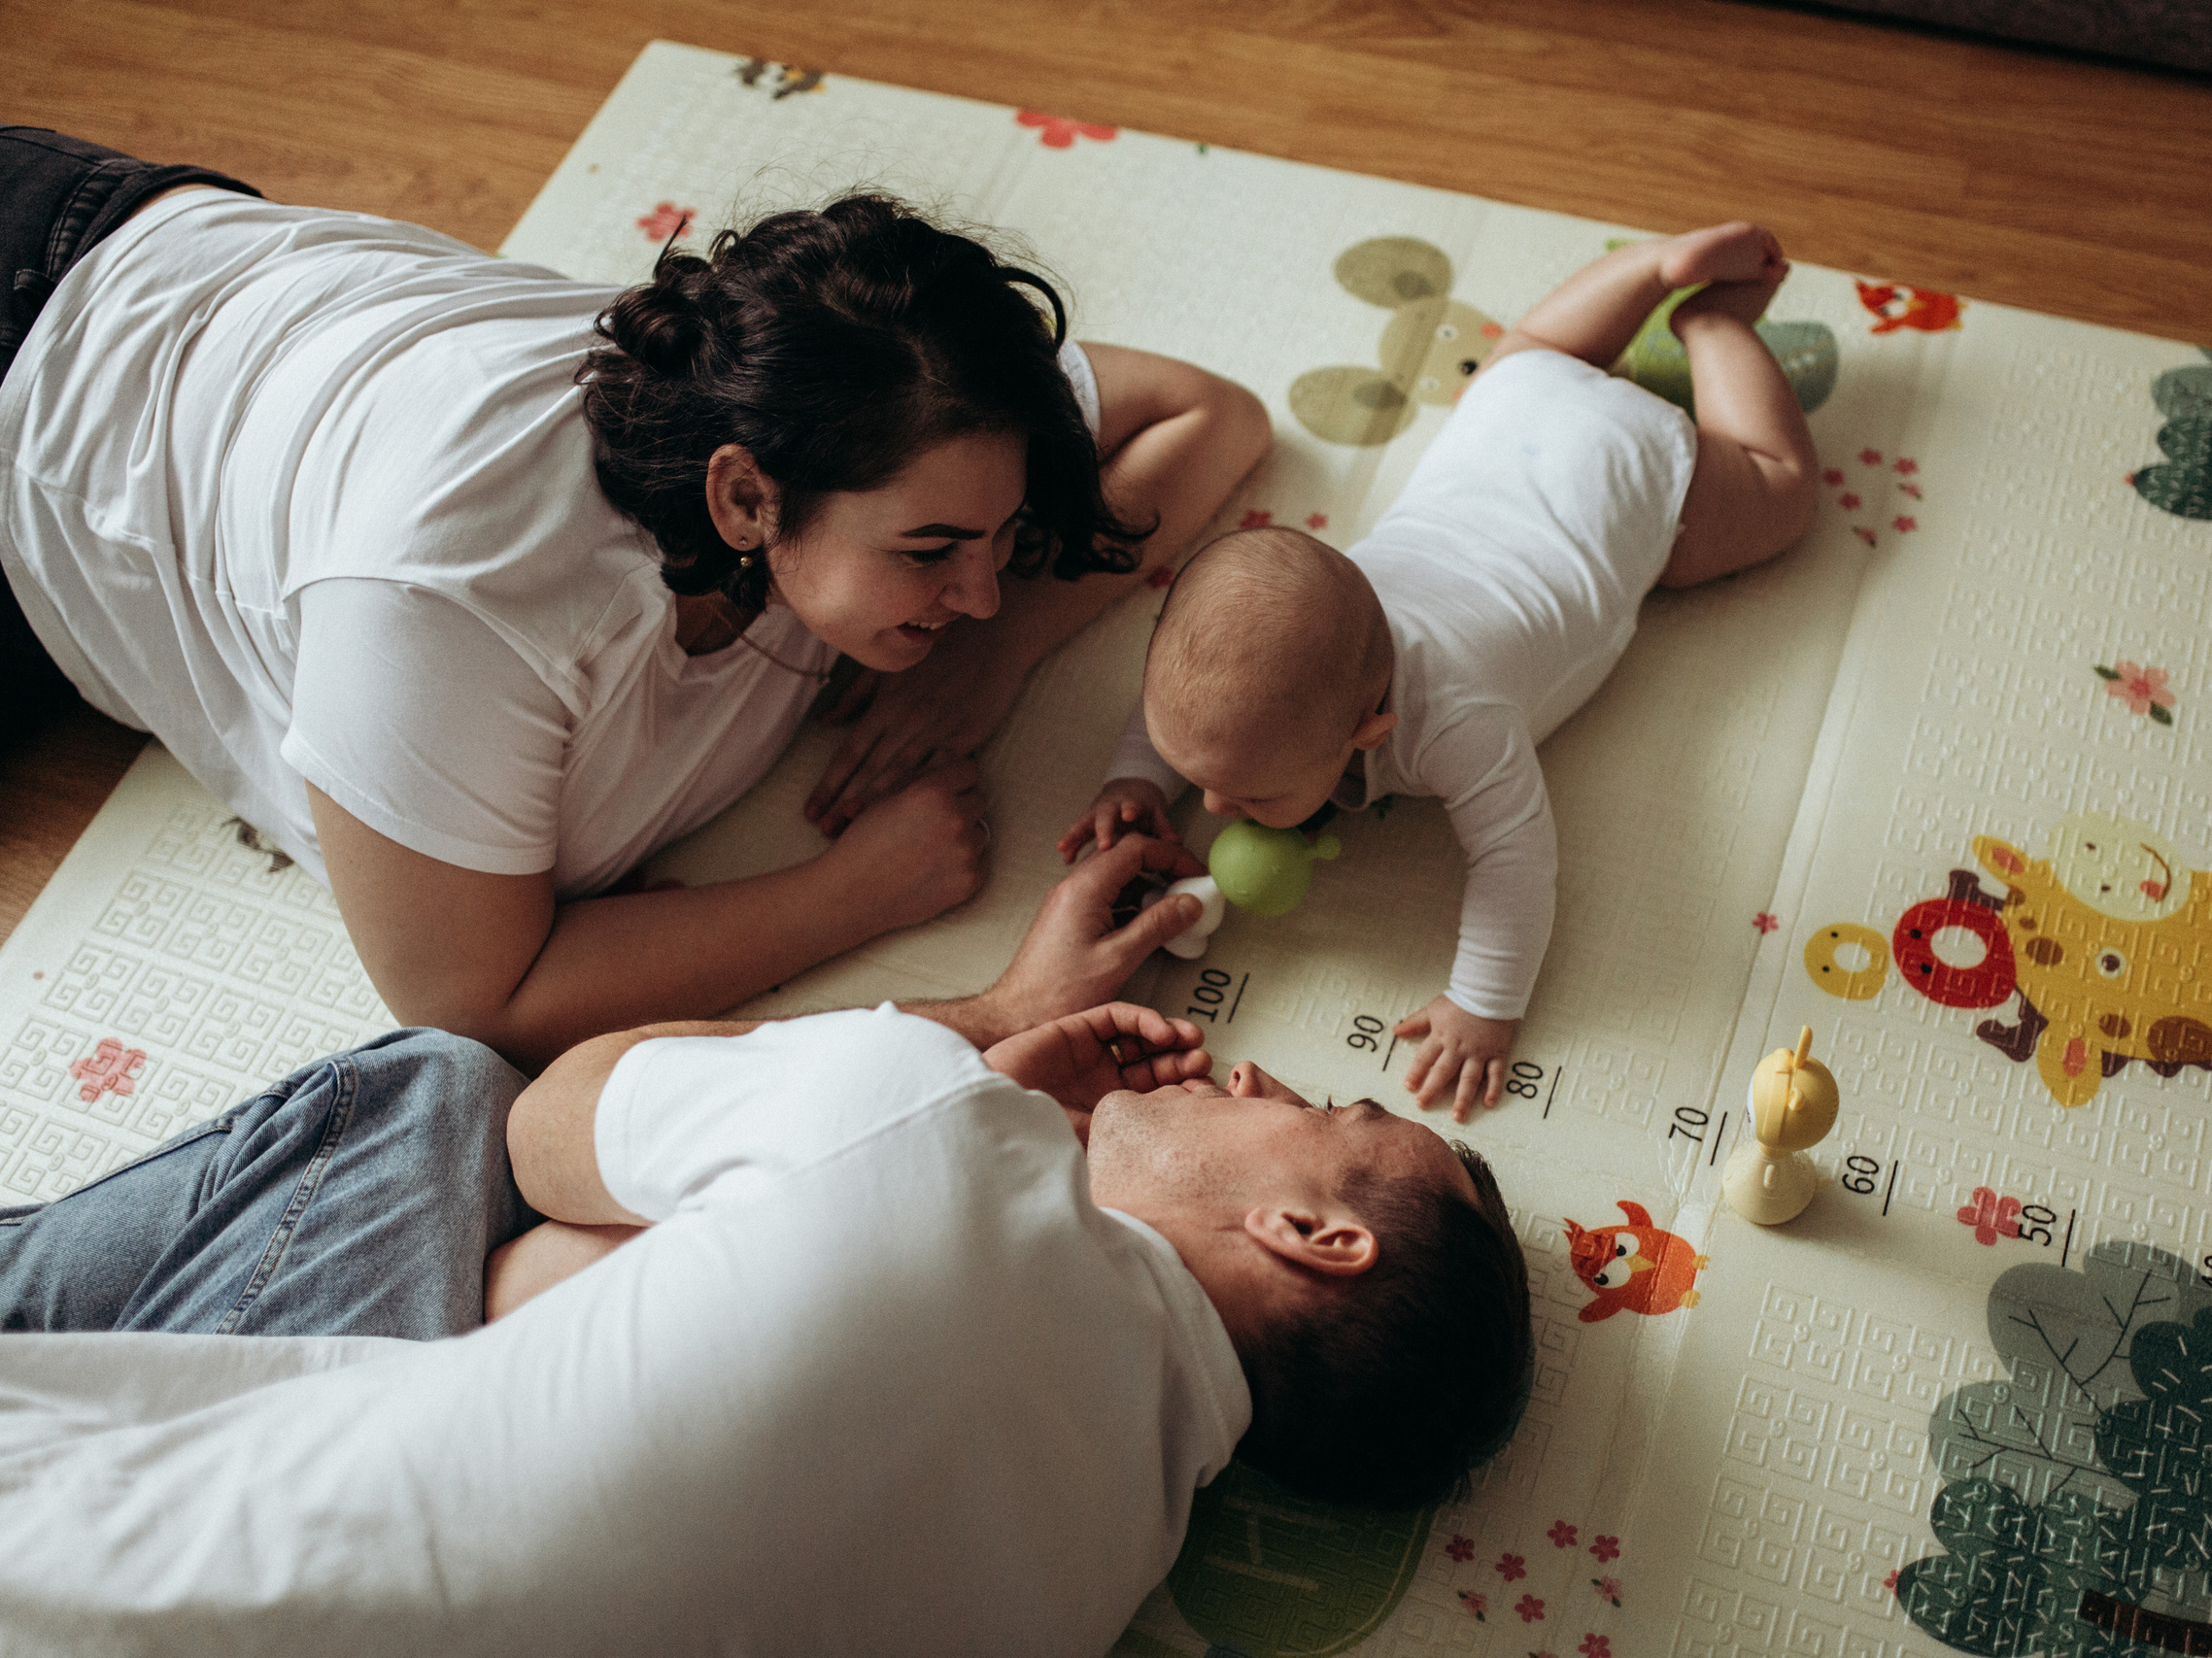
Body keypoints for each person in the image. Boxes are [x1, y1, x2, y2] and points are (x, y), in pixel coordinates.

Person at [0, 834, 1531, 1655]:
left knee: (444, 1088)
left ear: (1312, 1233)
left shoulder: (921, 1137)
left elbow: (551, 1124)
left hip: (79, 1553)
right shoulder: (1098, 1575)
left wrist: (965, 1038)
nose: (1254, 1073)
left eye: (1324, 1106)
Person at [0, 129, 1271, 1067]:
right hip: (31, 379)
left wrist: (984, 665)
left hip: (174, 243)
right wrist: (859, 891)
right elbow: (462, 999)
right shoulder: (455, 595)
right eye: (934, 549)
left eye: (1001, 538)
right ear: (744, 500)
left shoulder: (874, 398)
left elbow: (1207, 413)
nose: (986, 588)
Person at [1059, 222, 1820, 1119]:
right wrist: (1136, 777)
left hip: (1635, 477)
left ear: (1371, 737)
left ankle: (1709, 324)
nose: (1215, 809)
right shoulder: (1299, 635)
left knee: (1781, 488)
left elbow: (1517, 860)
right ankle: (1653, 266)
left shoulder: (1457, 722)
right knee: (1535, 352)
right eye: (1202, 783)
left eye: (1252, 797)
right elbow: (1174, 705)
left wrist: (1484, 1004)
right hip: (1516, 406)